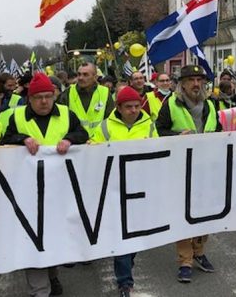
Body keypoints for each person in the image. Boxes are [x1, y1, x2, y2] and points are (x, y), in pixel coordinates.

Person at [2, 73, 88, 297]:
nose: (44, 102)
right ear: (30, 99)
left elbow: (83, 133)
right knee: (33, 239)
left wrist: (70, 139)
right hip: (28, 192)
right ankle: (40, 290)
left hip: (60, 190)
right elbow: (5, 141)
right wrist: (21, 139)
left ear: (54, 96)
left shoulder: (67, 115)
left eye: (48, 96)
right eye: (38, 97)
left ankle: (51, 274)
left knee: (54, 237)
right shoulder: (17, 116)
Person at [156, 65, 221, 283]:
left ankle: (199, 252)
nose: (196, 84)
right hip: (180, 169)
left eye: (199, 80)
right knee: (183, 214)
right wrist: (176, 135)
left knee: (205, 214)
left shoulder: (211, 105)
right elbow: (159, 131)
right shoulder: (170, 105)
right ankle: (185, 260)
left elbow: (219, 130)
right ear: (182, 84)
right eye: (191, 80)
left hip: (206, 168)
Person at [91, 86, 158, 297]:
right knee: (121, 237)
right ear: (118, 107)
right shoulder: (104, 127)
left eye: (137, 106)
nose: (134, 110)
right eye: (128, 107)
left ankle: (127, 262)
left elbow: (159, 150)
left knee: (135, 236)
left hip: (141, 188)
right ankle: (125, 282)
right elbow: (92, 152)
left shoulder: (149, 125)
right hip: (114, 189)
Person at [58, 62, 114, 138]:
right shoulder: (68, 93)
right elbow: (61, 121)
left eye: (85, 75)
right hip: (75, 142)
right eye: (79, 74)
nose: (81, 78)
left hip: (99, 142)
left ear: (95, 77)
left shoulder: (105, 93)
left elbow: (110, 120)